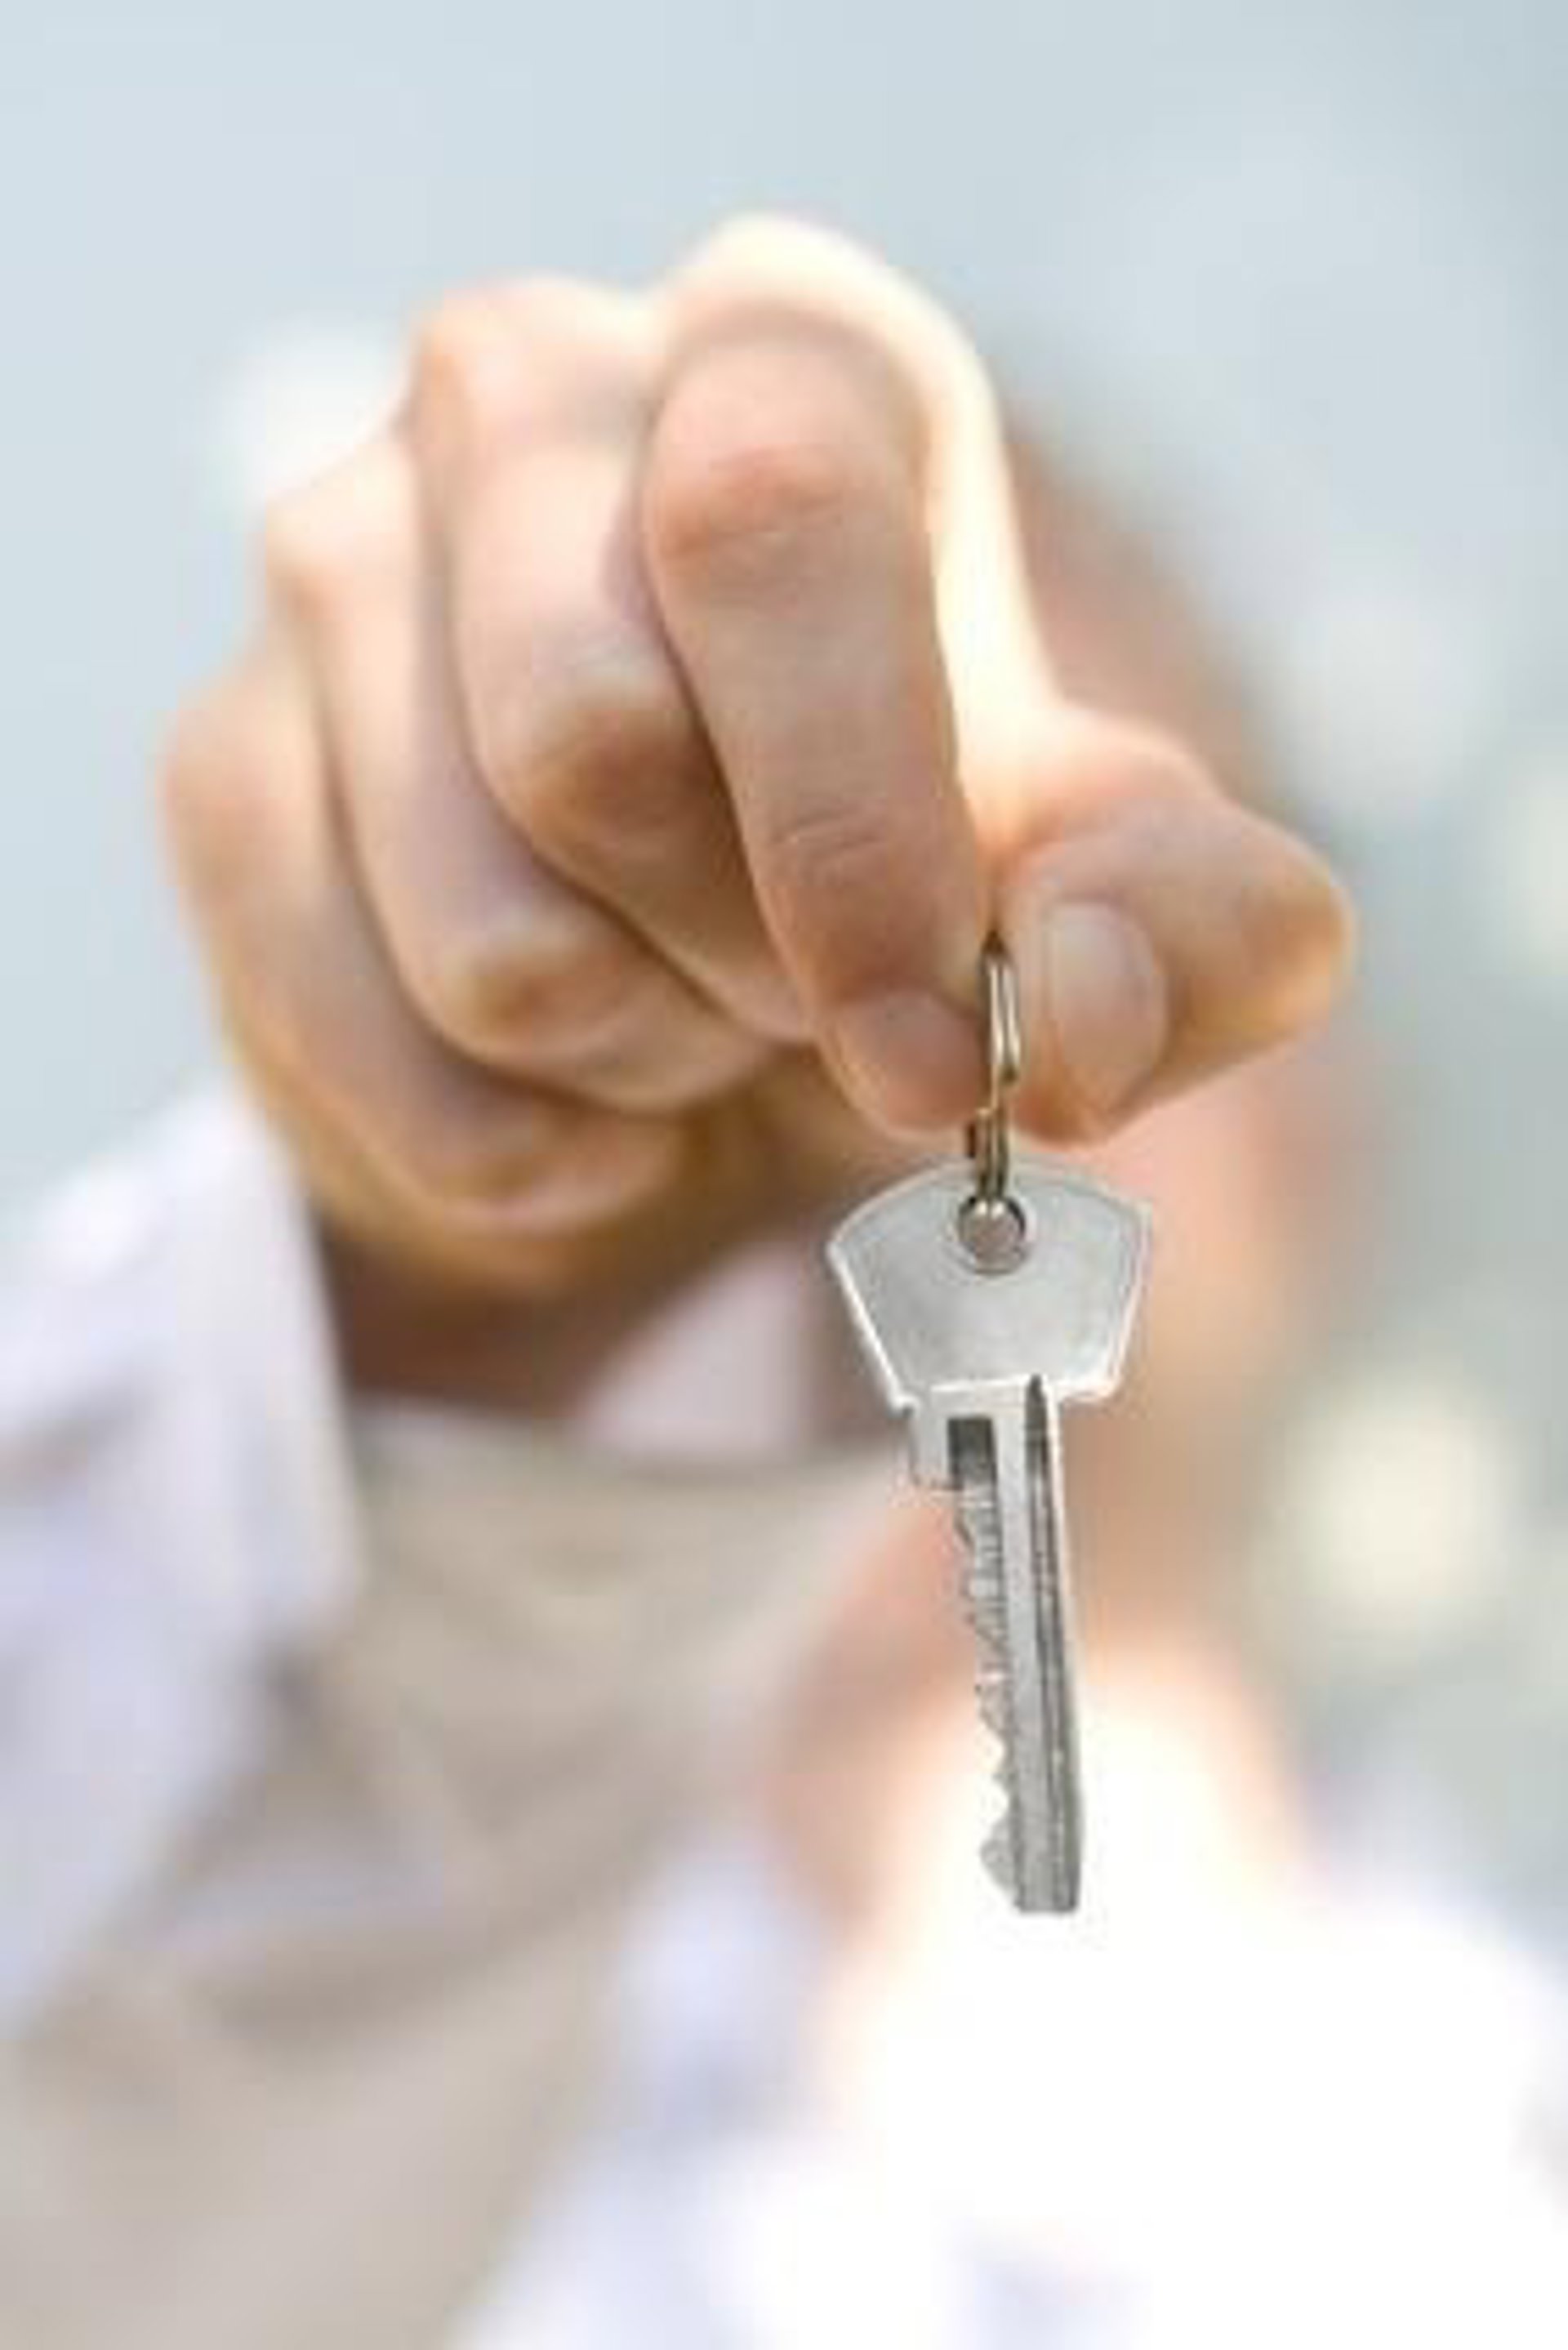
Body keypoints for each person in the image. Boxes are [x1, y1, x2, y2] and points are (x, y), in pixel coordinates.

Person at [4, 216, 1558, 2348]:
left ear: (1318, 1109)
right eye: (723, 927)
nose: (876, 1085)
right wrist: (465, 1369)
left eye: (1051, 907)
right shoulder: (284, 2051)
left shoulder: (1512, 2157)